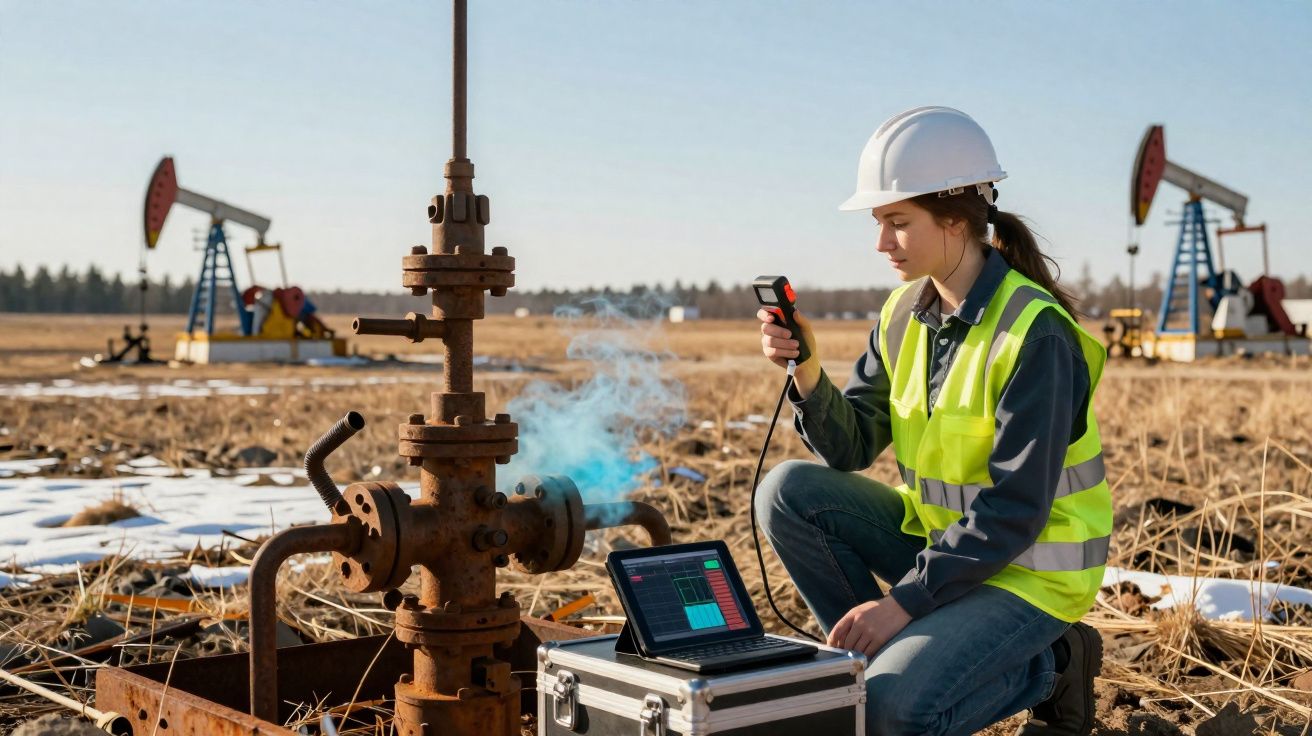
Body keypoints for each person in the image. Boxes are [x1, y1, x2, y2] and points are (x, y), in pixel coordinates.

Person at [754, 106, 1110, 736]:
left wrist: (902, 603)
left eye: (897, 223)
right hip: (945, 549)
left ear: (954, 219)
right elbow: (853, 445)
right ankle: (863, 667)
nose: (881, 243)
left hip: (1031, 573)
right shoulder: (901, 313)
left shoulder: (1037, 334)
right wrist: (805, 368)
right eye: (879, 223)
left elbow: (1016, 509)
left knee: (895, 711)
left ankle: (1052, 664)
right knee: (787, 492)